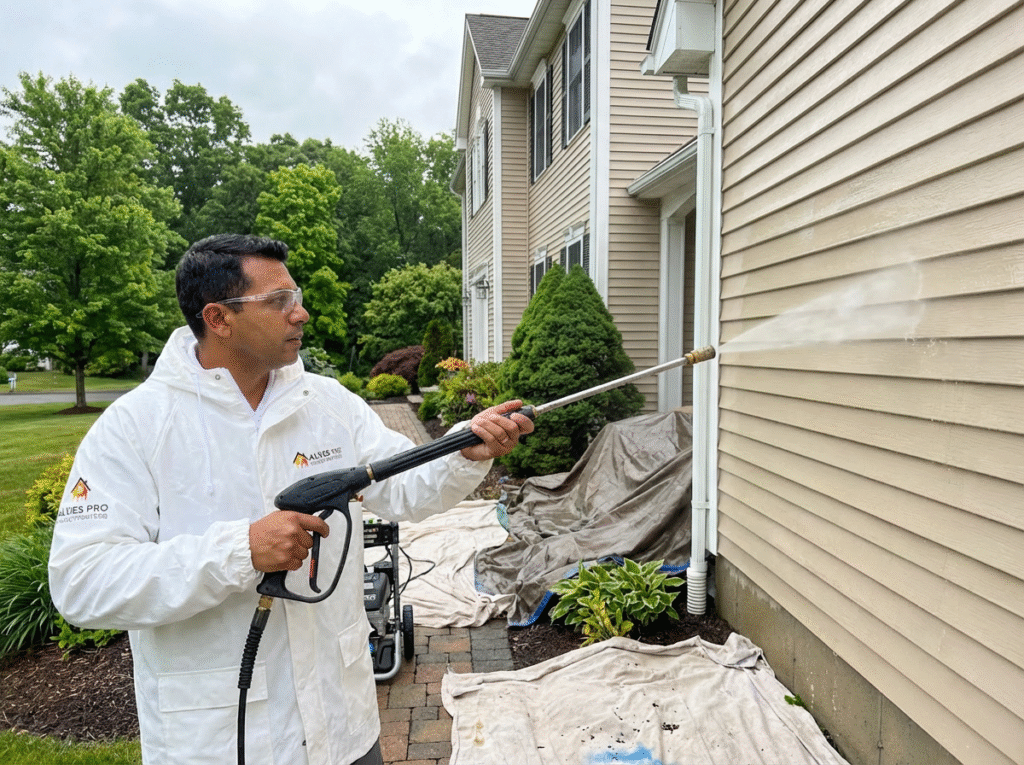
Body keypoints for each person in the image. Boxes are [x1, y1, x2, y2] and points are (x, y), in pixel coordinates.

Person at [48, 234, 533, 765]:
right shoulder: (135, 428)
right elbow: (82, 582)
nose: (300, 313)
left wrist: (465, 449)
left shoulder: (326, 403)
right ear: (219, 318)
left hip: (344, 729)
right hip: (222, 741)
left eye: (295, 295)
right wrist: (241, 551)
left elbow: (403, 487)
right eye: (279, 301)